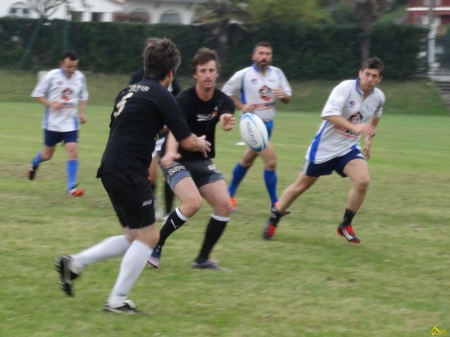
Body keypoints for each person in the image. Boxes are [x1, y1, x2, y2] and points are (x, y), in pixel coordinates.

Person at [54, 38, 211, 314]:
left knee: (132, 236)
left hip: (110, 167)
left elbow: (126, 125)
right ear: (172, 72)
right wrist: (200, 142)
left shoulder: (128, 91)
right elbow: (186, 142)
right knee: (149, 238)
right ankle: (117, 299)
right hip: (129, 169)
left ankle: (75, 263)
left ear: (145, 65)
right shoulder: (164, 95)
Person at [262, 57, 385, 243]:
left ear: (379, 79)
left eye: (373, 76)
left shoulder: (378, 97)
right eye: (366, 74)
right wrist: (356, 128)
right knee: (300, 187)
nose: (369, 78)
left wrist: (369, 138)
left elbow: (376, 115)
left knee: (363, 181)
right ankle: (274, 217)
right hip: (323, 149)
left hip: (348, 148)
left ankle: (345, 225)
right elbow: (327, 114)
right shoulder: (344, 88)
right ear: (360, 73)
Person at [147, 47, 235, 270]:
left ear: (217, 74)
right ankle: (157, 244)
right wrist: (168, 153)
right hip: (177, 159)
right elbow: (176, 131)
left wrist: (226, 121)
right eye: (203, 70)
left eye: (211, 70)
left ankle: (202, 258)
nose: (207, 74)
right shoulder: (183, 99)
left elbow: (226, 116)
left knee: (224, 205)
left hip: (202, 161)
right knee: (193, 203)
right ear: (195, 74)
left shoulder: (223, 100)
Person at [222, 41, 292, 212]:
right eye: (260, 53)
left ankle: (228, 195)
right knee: (271, 162)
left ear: (271, 57)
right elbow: (225, 93)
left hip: (268, 124)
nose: (264, 57)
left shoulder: (277, 74)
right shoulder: (244, 75)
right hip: (251, 124)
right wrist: (241, 106)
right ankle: (276, 204)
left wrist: (283, 96)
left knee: (246, 161)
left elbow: (288, 97)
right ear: (254, 56)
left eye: (267, 54)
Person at [130, 37, 181, 220]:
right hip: (149, 134)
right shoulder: (137, 77)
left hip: (168, 133)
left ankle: (168, 211)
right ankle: (152, 202)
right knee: (150, 176)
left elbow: (178, 101)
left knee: (169, 168)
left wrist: (171, 122)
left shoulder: (170, 77)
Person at [27, 50, 88, 197]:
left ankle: (71, 188)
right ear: (61, 64)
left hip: (70, 123)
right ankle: (34, 164)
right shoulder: (51, 76)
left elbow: (83, 95)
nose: (72, 70)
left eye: (75, 66)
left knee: (73, 152)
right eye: (68, 67)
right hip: (52, 124)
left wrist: (82, 112)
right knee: (47, 155)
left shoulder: (80, 77)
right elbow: (37, 94)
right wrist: (50, 104)